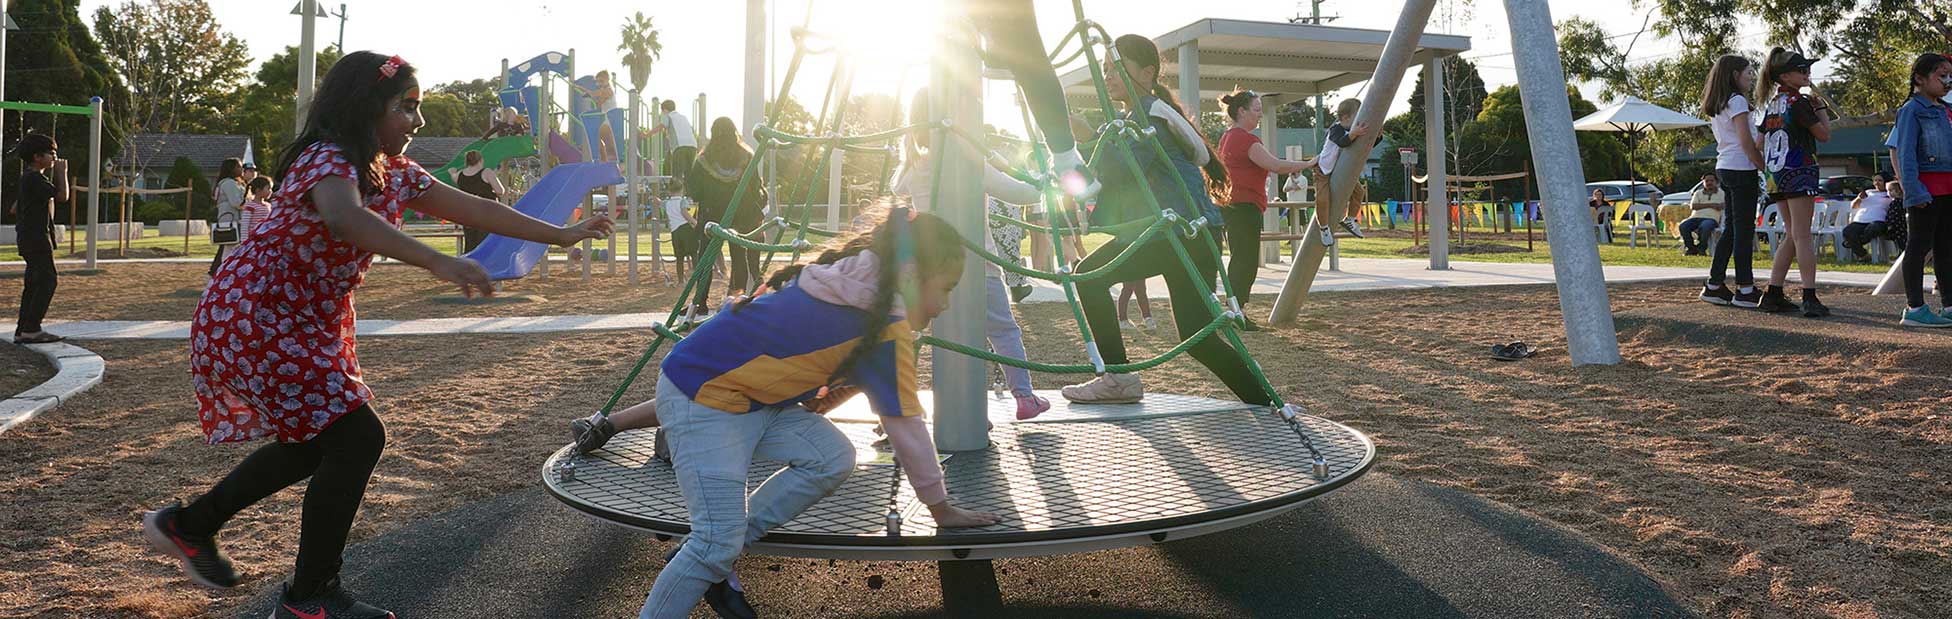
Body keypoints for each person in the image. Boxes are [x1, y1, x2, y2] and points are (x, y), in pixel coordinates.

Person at [139, 52, 613, 619]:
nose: (417, 121)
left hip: (302, 318)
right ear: (367, 108)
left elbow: (475, 207)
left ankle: (194, 527)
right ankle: (307, 597)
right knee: (356, 436)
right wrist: (436, 262)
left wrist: (560, 234)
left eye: (418, 108)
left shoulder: (394, 169)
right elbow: (346, 219)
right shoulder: (327, 157)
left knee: (317, 441)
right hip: (259, 312)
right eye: (405, 107)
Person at [618, 207, 1000, 618]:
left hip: (749, 401)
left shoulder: (852, 282)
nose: (945, 303)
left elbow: (820, 361)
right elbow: (905, 422)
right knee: (713, 541)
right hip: (703, 397)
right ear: (910, 274)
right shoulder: (882, 323)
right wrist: (939, 507)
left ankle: (719, 553)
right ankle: (713, 553)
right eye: (945, 288)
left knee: (831, 458)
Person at [1058, 34, 1271, 406]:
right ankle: (1262, 400)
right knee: (1199, 336)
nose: (1107, 76)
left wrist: (1078, 142)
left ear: (1147, 72)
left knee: (1088, 277)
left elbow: (1116, 173)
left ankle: (1118, 378)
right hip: (1192, 232)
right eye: (1105, 70)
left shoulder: (1148, 116)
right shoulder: (1141, 114)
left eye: (1116, 68)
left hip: (1176, 232)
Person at [891, 87, 1050, 420]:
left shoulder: (913, 167)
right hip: (978, 264)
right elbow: (1018, 192)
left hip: (931, 271)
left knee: (935, 337)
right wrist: (1045, 181)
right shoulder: (969, 164)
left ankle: (916, 407)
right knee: (1002, 331)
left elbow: (896, 189)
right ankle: (1023, 396)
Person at [1216, 88, 1317, 327]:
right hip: (1244, 207)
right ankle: (1236, 312)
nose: (1260, 115)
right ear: (1241, 111)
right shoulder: (1246, 139)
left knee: (1240, 258)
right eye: (1257, 110)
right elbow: (1274, 164)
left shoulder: (1227, 136)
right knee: (1246, 261)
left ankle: (1234, 310)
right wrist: (1308, 163)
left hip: (1231, 206)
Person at [1752, 48, 1833, 317]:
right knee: (1802, 235)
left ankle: (1773, 292)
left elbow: (1759, 143)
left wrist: (1768, 170)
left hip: (1777, 174)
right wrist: (1821, 109)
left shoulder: (1772, 104)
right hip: (1800, 170)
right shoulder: (1799, 102)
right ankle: (1809, 295)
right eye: (1801, 70)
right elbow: (1823, 135)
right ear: (1785, 76)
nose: (1806, 73)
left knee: (1791, 234)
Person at [1886, 52, 1952, 327]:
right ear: (1920, 79)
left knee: (1946, 248)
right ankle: (1915, 307)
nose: (1948, 81)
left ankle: (1949, 304)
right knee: (1918, 247)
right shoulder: (1911, 110)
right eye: (1942, 76)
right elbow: (1905, 155)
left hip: (1948, 190)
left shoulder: (1944, 110)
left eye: (1950, 76)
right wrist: (1913, 190)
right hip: (1925, 191)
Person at [1697, 54, 1768, 308]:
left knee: (1732, 229)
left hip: (1725, 166)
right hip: (1741, 167)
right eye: (1748, 72)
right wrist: (1765, 168)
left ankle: (1715, 284)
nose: (1751, 77)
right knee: (1743, 230)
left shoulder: (1720, 101)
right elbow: (1746, 143)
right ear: (1734, 75)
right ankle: (1745, 289)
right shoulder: (1737, 100)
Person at [685, 116, 769, 318]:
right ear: (734, 133)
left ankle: (700, 303)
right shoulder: (746, 157)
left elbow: (695, 192)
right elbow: (755, 187)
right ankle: (735, 300)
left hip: (711, 216)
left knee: (706, 260)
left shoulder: (704, 160)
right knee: (738, 258)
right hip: (739, 215)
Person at [9, 132, 67, 344]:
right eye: (51, 153)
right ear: (37, 157)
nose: (55, 157)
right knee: (47, 281)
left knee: (33, 283)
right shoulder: (34, 178)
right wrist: (63, 173)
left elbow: (15, 208)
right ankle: (32, 328)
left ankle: (22, 330)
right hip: (36, 238)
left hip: (27, 237)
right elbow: (62, 196)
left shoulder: (28, 178)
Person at [1312, 98, 1371, 247]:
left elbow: (1365, 145)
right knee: (1323, 199)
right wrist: (1354, 134)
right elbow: (1342, 141)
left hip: (1339, 171)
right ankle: (1324, 228)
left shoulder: (1353, 132)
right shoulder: (1336, 129)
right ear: (1345, 118)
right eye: (1357, 116)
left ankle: (1350, 219)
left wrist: (1377, 135)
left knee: (1359, 192)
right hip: (1323, 170)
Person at [448, 150, 507, 252]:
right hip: (486, 212)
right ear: (481, 160)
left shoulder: (459, 175)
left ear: (466, 161)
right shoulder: (486, 172)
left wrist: (452, 171)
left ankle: (469, 264)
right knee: (486, 243)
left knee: (471, 244)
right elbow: (500, 191)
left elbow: (453, 175)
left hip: (469, 213)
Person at [646, 99, 699, 188]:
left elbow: (661, 126)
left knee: (677, 174)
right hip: (693, 146)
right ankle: (690, 196)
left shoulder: (668, 115)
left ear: (665, 110)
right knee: (689, 174)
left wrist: (647, 134)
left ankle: (676, 196)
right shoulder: (683, 117)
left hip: (680, 146)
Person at [1843, 180, 1901, 261]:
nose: (1877, 183)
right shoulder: (1868, 192)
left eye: (1880, 180)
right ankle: (1863, 254)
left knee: (1874, 228)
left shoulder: (1889, 194)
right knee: (1848, 231)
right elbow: (1853, 206)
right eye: (1875, 180)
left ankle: (1854, 243)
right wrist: (1859, 198)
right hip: (1861, 220)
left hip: (1879, 221)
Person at [209, 157, 246, 275]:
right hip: (231, 219)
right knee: (228, 245)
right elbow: (236, 202)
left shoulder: (231, 182)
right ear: (232, 169)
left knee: (226, 246)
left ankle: (217, 272)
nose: (242, 169)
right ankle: (218, 272)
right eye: (239, 166)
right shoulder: (229, 183)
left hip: (229, 218)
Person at [1678, 172, 1725, 255]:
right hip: (1695, 217)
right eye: (1706, 181)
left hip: (1711, 218)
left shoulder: (1722, 193)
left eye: (1711, 180)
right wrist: (1712, 205)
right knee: (1683, 226)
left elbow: (1724, 205)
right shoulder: (1698, 193)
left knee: (1705, 226)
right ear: (1703, 182)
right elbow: (1693, 206)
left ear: (1716, 182)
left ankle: (1701, 248)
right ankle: (1691, 248)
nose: (1709, 183)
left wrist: (1704, 205)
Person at [664, 193, 698, 280]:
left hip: (675, 231)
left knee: (679, 258)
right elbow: (684, 213)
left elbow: (660, 203)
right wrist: (695, 222)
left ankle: (680, 280)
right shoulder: (682, 201)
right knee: (694, 254)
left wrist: (656, 200)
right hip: (685, 229)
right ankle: (698, 277)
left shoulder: (667, 202)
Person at [239, 176, 273, 241]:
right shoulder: (250, 206)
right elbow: (245, 225)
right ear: (258, 190)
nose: (271, 191)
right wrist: (244, 241)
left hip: (265, 239)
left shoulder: (268, 205)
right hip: (253, 240)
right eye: (268, 188)